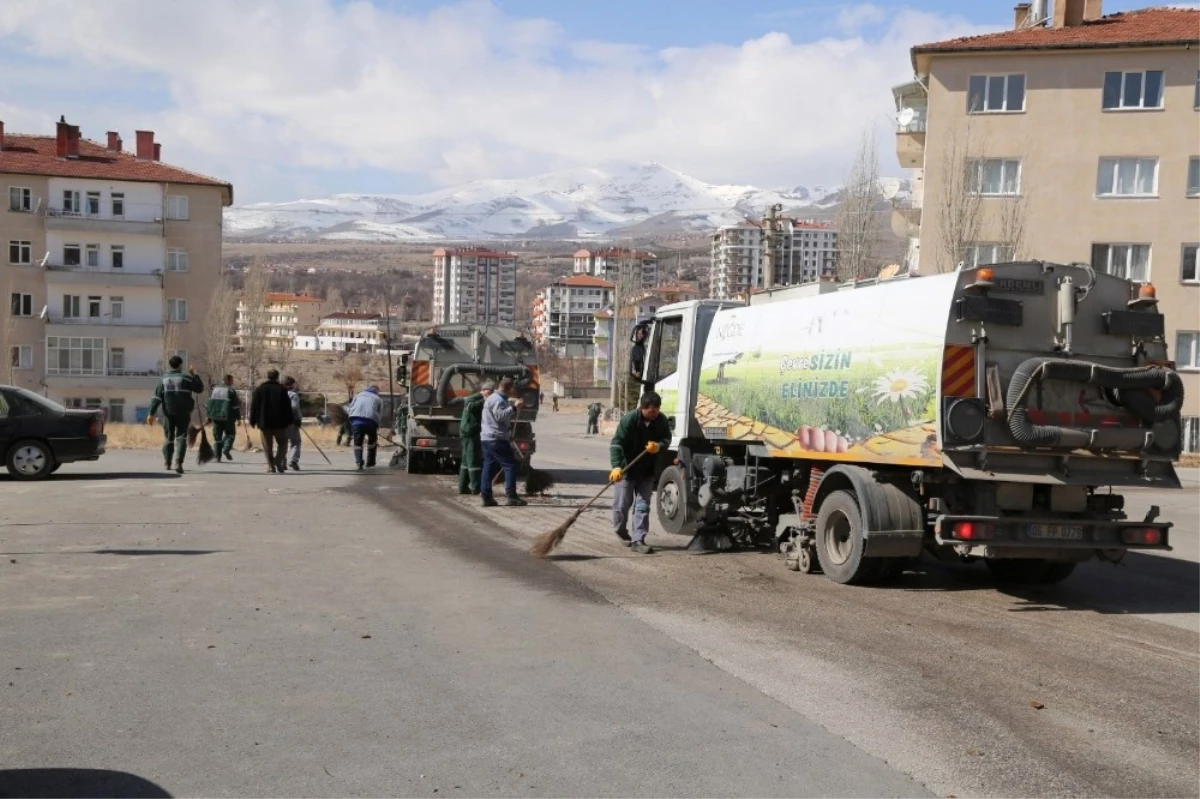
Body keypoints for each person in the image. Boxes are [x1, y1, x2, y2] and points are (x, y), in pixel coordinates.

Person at [609, 391, 671, 555]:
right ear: (642, 408)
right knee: (622, 505)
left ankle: (639, 539)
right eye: (651, 411)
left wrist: (658, 446)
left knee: (643, 506)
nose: (654, 415)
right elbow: (616, 444)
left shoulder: (661, 420)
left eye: (657, 411)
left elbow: (667, 439)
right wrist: (616, 467)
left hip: (647, 471)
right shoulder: (629, 420)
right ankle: (620, 530)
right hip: (627, 470)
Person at [146, 355, 203, 474]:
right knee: (181, 437)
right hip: (183, 412)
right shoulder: (187, 378)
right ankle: (179, 462)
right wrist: (195, 374)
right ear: (181, 365)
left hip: (168, 412)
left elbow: (157, 397)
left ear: (170, 365)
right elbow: (199, 389)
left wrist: (151, 413)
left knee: (169, 437)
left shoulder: (163, 379)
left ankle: (167, 462)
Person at [479, 377, 526, 507]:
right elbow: (500, 416)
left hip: (489, 438)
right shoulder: (497, 400)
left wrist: (508, 433)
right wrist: (514, 408)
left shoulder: (494, 398)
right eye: (513, 389)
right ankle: (512, 496)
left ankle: (486, 496)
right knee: (510, 465)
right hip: (496, 439)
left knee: (489, 466)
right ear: (509, 388)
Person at [249, 369, 293, 474]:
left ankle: (271, 466)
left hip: (264, 423)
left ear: (268, 376)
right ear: (277, 377)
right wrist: (290, 420)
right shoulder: (282, 389)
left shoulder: (260, 389)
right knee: (283, 444)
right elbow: (287, 407)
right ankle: (277, 461)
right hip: (280, 423)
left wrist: (252, 420)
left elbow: (254, 406)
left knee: (267, 446)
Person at [458, 380, 494, 495]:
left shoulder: (479, 399)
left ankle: (463, 486)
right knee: (473, 459)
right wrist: (484, 400)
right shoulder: (474, 398)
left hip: (470, 431)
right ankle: (476, 487)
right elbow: (470, 407)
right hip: (470, 432)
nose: (491, 394)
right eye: (489, 391)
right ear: (483, 390)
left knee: (465, 461)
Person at [206, 374, 242, 462]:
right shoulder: (231, 391)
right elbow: (235, 406)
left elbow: (209, 404)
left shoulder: (213, 390)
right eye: (232, 380)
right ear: (229, 380)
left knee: (217, 437)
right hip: (228, 417)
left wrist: (209, 417)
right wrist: (238, 418)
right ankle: (226, 448)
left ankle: (217, 457)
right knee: (230, 434)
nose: (233, 382)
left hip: (215, 417)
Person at [347, 385, 383, 470]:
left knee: (357, 444)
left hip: (356, 422)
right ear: (376, 391)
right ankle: (370, 463)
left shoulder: (358, 396)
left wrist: (352, 421)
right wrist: (378, 425)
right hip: (371, 422)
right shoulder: (378, 399)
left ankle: (359, 462)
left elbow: (350, 408)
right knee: (372, 443)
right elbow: (380, 413)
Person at [283, 376, 303, 471]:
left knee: (282, 442)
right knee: (296, 441)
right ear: (291, 385)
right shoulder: (293, 395)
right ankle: (293, 460)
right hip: (291, 421)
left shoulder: (279, 394)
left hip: (280, 422)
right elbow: (294, 406)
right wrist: (298, 419)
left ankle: (282, 461)